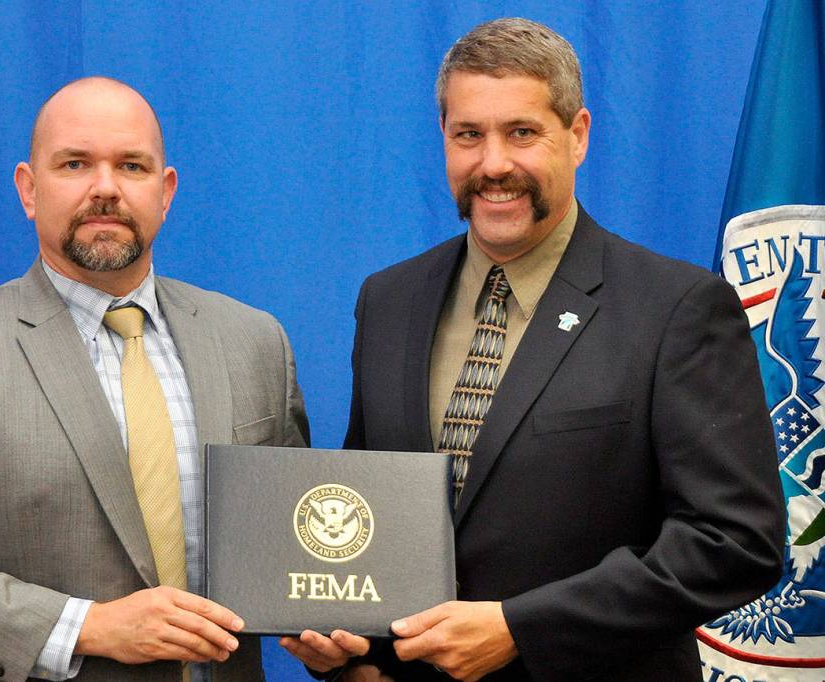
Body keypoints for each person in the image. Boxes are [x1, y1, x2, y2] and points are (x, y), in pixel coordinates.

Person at [281, 18, 784, 682]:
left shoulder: (677, 308)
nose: (493, 165)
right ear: (445, 140)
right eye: (469, 135)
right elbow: (373, 511)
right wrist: (350, 650)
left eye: (522, 132)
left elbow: (736, 542)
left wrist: (522, 629)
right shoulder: (388, 300)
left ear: (576, 136)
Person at [0, 76, 309, 682]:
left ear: (165, 192)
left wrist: (329, 627)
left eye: (132, 166)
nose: (105, 189)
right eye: (75, 164)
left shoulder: (253, 341)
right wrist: (88, 627)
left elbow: (293, 546)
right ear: (29, 190)